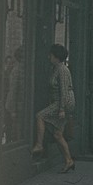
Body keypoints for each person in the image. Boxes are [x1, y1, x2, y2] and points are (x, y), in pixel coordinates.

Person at [30, 44, 76, 173]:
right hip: (59, 103)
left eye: (51, 54)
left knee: (40, 115)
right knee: (57, 134)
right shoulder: (55, 68)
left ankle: (39, 145)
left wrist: (61, 109)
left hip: (63, 103)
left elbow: (64, 91)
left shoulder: (62, 70)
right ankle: (69, 161)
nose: (49, 56)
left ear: (56, 56)